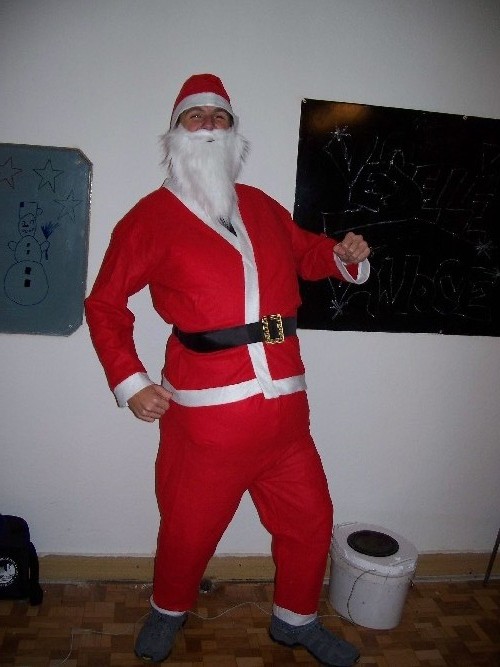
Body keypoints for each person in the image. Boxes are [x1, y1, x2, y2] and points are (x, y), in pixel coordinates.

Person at [85, 73, 370, 666]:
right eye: (197, 116)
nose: (210, 124)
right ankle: (168, 611)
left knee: (310, 522)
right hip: (205, 422)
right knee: (188, 532)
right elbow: (105, 304)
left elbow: (309, 254)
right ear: (176, 131)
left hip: (286, 415)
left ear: (234, 131)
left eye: (221, 116)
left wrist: (342, 257)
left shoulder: (261, 206)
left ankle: (296, 620)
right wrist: (131, 382)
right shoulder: (150, 218)